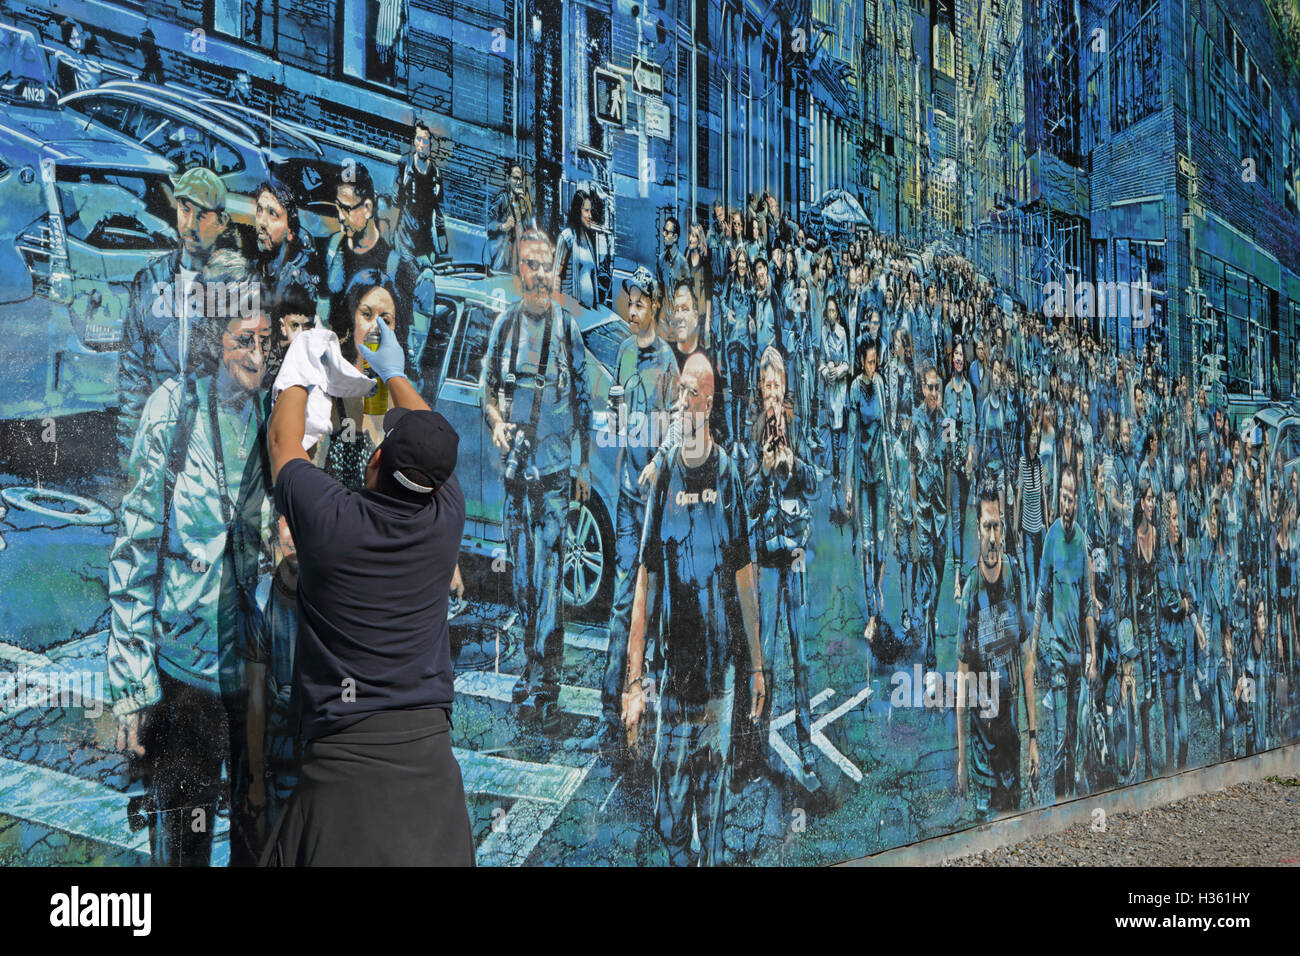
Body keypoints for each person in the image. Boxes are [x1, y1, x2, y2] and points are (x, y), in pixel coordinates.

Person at [262, 315, 471, 866]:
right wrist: (394, 372)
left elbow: (284, 444)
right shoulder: (447, 515)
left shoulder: (332, 516)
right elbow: (434, 439)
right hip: (431, 779)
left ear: (375, 459)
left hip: (341, 782)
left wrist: (302, 364)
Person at [108, 254, 273, 866]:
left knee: (259, 844)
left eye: (265, 339)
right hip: (185, 680)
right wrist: (131, 684)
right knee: (183, 849)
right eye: (242, 341)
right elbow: (133, 557)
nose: (258, 355)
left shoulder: (271, 419)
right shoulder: (171, 415)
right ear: (212, 340)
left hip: (253, 675)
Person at [621, 352, 766, 866]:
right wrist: (634, 681)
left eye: (690, 393)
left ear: (708, 401)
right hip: (674, 677)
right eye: (678, 391)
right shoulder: (664, 478)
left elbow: (745, 577)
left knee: (715, 812)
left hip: (719, 678)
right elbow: (646, 581)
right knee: (670, 815)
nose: (681, 402)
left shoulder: (726, 476)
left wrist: (757, 664)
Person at [480, 230, 593, 727]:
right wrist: (497, 422)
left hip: (554, 473)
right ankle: (529, 662)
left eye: (548, 265)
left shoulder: (568, 330)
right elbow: (487, 392)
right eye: (531, 265)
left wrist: (584, 464)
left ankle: (549, 676)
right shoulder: (503, 328)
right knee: (523, 579)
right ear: (518, 272)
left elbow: (586, 404)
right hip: (516, 475)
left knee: (549, 575)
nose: (541, 274)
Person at [582, 268, 677, 755]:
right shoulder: (621, 353)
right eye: (629, 302)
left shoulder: (668, 364)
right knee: (622, 602)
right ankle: (608, 706)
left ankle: (648, 698)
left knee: (652, 604)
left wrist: (658, 463)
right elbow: (613, 424)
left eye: (640, 303)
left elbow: (677, 434)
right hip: (625, 497)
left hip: (654, 503)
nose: (633, 310)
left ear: (655, 308)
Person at [118, 167, 231, 469]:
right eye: (184, 209)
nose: (190, 224)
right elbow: (132, 369)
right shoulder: (150, 280)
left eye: (202, 214)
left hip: (206, 446)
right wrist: (129, 449)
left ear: (221, 223)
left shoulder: (233, 288)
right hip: (154, 438)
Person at [745, 347, 818, 784]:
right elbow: (747, 501)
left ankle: (807, 746)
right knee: (767, 657)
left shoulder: (798, 426)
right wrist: (764, 467)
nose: (772, 393)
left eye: (778, 385)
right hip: (767, 562)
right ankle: (762, 747)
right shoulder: (752, 433)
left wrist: (792, 464)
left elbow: (815, 482)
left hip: (796, 556)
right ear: (759, 389)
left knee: (802, 655)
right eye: (766, 386)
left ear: (785, 386)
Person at [956, 479, 1038, 821]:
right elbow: (961, 684)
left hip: (1011, 744)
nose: (993, 536)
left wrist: (1033, 737)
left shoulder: (1015, 579)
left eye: (998, 526)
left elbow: (1027, 659)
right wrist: (961, 759)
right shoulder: (971, 593)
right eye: (987, 526)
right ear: (978, 529)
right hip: (980, 755)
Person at [845, 337, 891, 649]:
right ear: (862, 362)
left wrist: (891, 472)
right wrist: (848, 485)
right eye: (868, 362)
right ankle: (872, 614)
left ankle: (877, 587)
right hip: (862, 473)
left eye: (876, 362)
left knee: (882, 538)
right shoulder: (854, 390)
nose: (872, 368)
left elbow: (885, 429)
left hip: (880, 473)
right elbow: (850, 437)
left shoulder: (882, 386)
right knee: (865, 540)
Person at [326, 164, 397, 328]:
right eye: (337, 207)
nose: (340, 217)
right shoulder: (334, 245)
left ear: (367, 209)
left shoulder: (390, 263)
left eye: (345, 209)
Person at [251, 180, 321, 308]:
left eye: (272, 214)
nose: (261, 222)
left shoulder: (302, 279)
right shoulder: (254, 266)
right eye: (259, 210)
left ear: (290, 232)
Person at [553, 187, 605, 309]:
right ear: (577, 211)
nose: (590, 215)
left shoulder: (588, 240)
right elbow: (556, 276)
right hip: (572, 311)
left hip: (588, 314)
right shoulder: (567, 237)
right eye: (586, 210)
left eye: (590, 211)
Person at [486, 162, 534, 274]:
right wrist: (503, 226)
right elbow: (488, 225)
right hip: (502, 260)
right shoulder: (502, 199)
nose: (519, 182)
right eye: (515, 178)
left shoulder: (521, 202)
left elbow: (527, 229)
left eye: (521, 179)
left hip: (517, 263)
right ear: (508, 179)